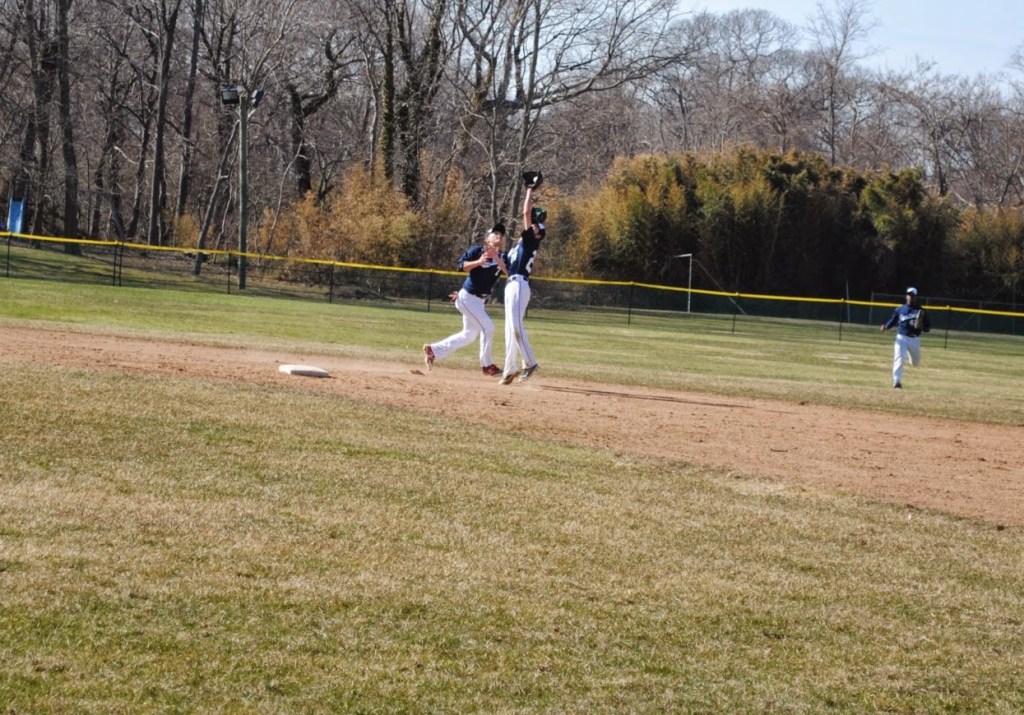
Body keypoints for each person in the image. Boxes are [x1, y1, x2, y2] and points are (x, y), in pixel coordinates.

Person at [423, 224, 508, 375]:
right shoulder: (477, 251)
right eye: (495, 233)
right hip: (468, 298)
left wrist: (496, 258)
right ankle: (487, 365)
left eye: (501, 234)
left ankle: (433, 350)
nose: (499, 236)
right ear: (487, 238)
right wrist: (479, 262)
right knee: (488, 328)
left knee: (468, 335)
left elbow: (509, 272)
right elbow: (461, 266)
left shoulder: (503, 256)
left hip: (478, 302)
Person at [499, 176, 546, 385]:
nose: (533, 226)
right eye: (534, 225)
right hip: (511, 284)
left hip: (520, 285)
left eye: (536, 226)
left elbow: (526, 212)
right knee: (509, 329)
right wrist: (494, 257)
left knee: (516, 327)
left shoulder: (530, 242)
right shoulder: (516, 248)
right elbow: (507, 269)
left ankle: (530, 362)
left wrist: (529, 190)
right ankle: (510, 369)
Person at [880, 286, 931, 388]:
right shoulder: (900, 309)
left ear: (916, 297)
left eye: (912, 295)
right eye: (909, 295)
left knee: (915, 363)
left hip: (914, 339)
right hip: (901, 338)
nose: (910, 297)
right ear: (906, 296)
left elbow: (928, 328)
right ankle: (897, 382)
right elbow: (893, 321)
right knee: (899, 358)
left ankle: (910, 355)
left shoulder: (921, 311)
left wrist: (922, 327)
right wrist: (886, 326)